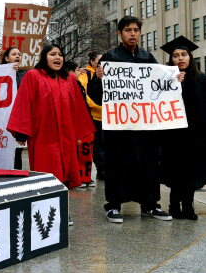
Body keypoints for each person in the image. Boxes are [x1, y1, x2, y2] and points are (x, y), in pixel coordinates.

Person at [87, 16, 172, 223]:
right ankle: (114, 206)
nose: (132, 34)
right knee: (117, 164)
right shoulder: (110, 57)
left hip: (144, 126)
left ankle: (150, 204)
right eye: (128, 30)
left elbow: (158, 88)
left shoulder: (148, 58)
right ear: (119, 33)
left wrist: (173, 80)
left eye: (136, 30)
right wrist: (98, 80)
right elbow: (97, 95)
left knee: (148, 164)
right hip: (120, 127)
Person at [7, 43, 95, 190]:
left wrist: (78, 133)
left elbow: (78, 108)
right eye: (52, 54)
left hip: (67, 137)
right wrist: (22, 133)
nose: (57, 57)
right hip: (43, 137)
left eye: (60, 55)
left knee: (66, 176)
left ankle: (61, 210)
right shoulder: (33, 76)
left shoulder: (70, 79)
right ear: (44, 57)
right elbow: (23, 103)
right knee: (47, 176)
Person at [159, 36, 206, 220]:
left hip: (196, 136)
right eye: (176, 55)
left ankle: (188, 207)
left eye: (184, 54)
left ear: (190, 57)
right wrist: (173, 83)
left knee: (192, 174)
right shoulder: (166, 80)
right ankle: (173, 206)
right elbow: (158, 103)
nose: (180, 58)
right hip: (173, 137)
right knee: (176, 174)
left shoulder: (202, 79)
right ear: (171, 59)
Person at [66, 61, 96, 188]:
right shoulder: (68, 85)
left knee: (85, 153)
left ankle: (85, 177)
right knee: (77, 153)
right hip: (76, 123)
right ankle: (77, 178)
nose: (81, 72)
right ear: (70, 72)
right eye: (78, 70)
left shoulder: (78, 84)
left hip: (84, 123)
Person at [77, 51, 105, 181]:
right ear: (92, 62)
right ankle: (102, 170)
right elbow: (83, 93)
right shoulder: (86, 74)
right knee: (98, 145)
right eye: (99, 61)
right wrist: (96, 105)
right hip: (95, 115)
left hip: (108, 117)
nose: (101, 64)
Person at [1, 47, 25, 169]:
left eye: (19, 54)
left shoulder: (24, 75)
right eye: (14, 54)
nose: (17, 56)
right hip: (2, 119)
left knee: (17, 153)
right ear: (6, 58)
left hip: (17, 119)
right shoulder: (0, 74)